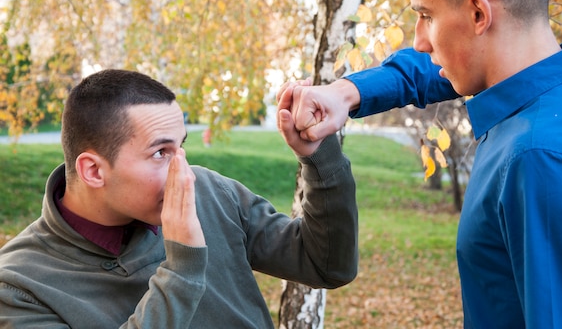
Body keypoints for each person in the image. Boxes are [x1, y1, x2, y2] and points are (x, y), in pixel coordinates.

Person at [280, 0, 562, 327]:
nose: (419, 40)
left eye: (426, 15)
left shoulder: (538, 160)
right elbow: (439, 69)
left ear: (479, 15)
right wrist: (345, 93)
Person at [0, 69, 358, 328]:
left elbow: (326, 265)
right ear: (94, 171)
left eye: (181, 146)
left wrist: (320, 153)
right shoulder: (19, 286)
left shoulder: (209, 191)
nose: (183, 171)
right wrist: (183, 267)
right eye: (160, 153)